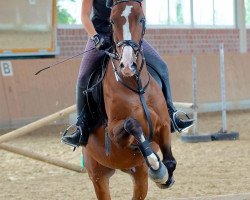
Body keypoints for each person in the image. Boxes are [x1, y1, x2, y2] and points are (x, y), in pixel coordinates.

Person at [61, 0, 194, 148]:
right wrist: (95, 37)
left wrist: (135, 34)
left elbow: (142, 16)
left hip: (128, 37)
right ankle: (82, 125)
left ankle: (171, 113)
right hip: (101, 35)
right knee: (83, 77)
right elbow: (84, 16)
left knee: (162, 66)